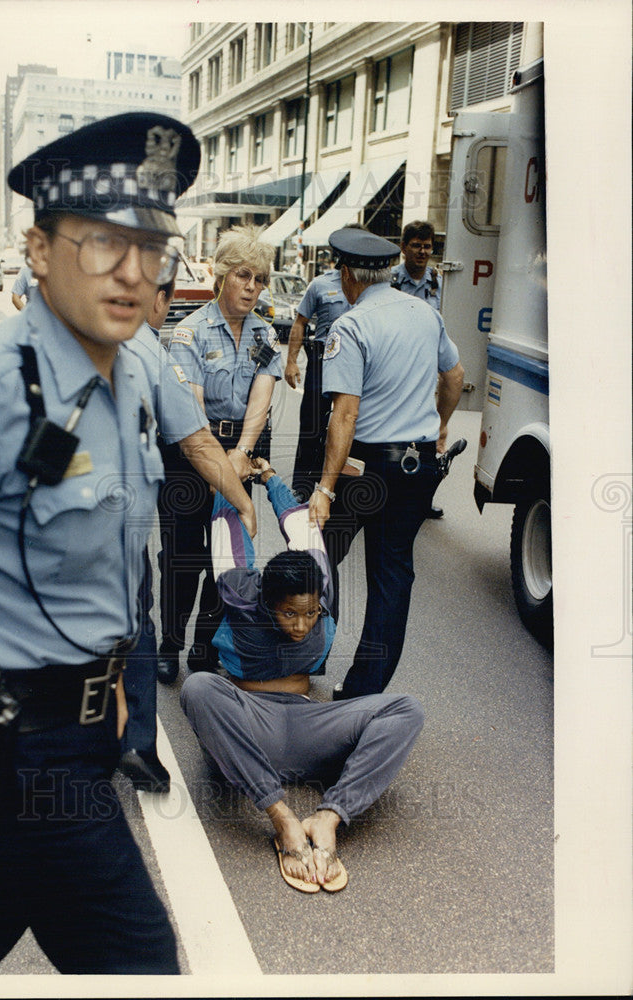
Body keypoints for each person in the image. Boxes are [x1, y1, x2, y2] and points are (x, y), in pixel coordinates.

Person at [0, 112, 203, 975]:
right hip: (9, 747)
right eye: (102, 244)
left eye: (151, 247)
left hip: (78, 729)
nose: (133, 273)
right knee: (142, 964)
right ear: (38, 251)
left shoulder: (126, 376)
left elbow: (106, 564)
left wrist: (110, 679)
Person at [180, 457, 424, 892]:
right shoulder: (240, 591)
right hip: (248, 726)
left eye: (311, 613)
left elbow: (300, 524)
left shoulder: (319, 584)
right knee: (199, 688)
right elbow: (228, 525)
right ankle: (284, 819)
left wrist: (271, 478)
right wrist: (231, 477)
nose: (302, 625)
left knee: (406, 710)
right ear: (266, 601)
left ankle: (329, 818)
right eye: (289, 613)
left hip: (309, 723)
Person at [309, 226, 464, 700]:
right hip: (417, 468)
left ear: (345, 275)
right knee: (392, 576)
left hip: (367, 468)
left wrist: (325, 489)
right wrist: (439, 427)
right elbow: (454, 375)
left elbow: (345, 415)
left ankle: (304, 649)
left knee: (316, 552)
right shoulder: (425, 312)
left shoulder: (351, 326)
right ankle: (361, 693)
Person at [120, 278, 255, 791]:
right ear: (158, 298)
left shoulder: (28, 340)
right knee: (134, 621)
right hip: (114, 526)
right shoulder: (152, 351)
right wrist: (242, 502)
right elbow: (197, 440)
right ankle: (134, 743)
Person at [158, 224, 281, 683]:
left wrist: (242, 454)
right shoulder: (190, 333)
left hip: (241, 454)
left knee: (226, 556)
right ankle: (169, 642)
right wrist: (216, 462)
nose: (252, 287)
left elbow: (261, 399)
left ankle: (204, 644)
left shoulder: (265, 334)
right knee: (182, 556)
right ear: (223, 275)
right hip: (188, 456)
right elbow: (189, 412)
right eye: (244, 276)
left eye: (260, 280)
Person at [390, 219, 445, 518]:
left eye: (427, 246)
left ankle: (421, 499)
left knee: (425, 434)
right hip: (394, 366)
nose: (422, 252)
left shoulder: (437, 282)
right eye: (416, 246)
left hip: (424, 369)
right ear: (403, 248)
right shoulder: (390, 280)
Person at [283, 261, 349, 500]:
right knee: (312, 421)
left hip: (355, 359)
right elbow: (300, 322)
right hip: (322, 358)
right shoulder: (320, 285)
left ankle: (342, 484)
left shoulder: (369, 285)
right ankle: (302, 485)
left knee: (350, 422)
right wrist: (291, 361)